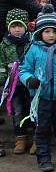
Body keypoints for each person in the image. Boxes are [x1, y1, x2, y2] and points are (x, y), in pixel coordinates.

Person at [19, 5, 56, 172]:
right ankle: (44, 158)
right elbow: (23, 70)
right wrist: (29, 80)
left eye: (53, 31)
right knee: (42, 128)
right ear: (40, 33)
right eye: (46, 31)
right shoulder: (33, 49)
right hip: (41, 97)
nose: (51, 35)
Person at [1, 9, 32, 155]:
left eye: (20, 25)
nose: (17, 29)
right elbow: (1, 64)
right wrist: (4, 81)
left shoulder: (32, 43)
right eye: (14, 26)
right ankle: (20, 138)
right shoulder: (4, 45)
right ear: (9, 27)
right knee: (17, 111)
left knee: (33, 110)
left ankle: (37, 139)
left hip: (31, 84)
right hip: (13, 86)